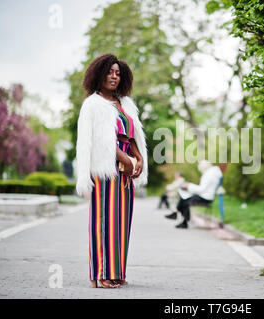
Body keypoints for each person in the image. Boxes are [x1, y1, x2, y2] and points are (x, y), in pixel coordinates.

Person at [75, 53, 148, 289]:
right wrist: (123, 158)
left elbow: (131, 133)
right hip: (107, 169)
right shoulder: (93, 104)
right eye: (109, 72)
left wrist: (137, 157)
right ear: (99, 74)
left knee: (122, 222)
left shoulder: (125, 104)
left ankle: (117, 271)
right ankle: (102, 273)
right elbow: (101, 139)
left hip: (125, 170)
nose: (114, 76)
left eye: (118, 73)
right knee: (104, 220)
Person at [165, 161, 222, 229]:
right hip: (205, 196)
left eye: (201, 170)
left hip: (205, 198)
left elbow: (201, 189)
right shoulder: (211, 173)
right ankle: (180, 218)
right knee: (184, 198)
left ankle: (181, 218)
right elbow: (203, 189)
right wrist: (189, 187)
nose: (201, 172)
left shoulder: (208, 175)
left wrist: (188, 185)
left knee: (185, 201)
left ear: (203, 168)